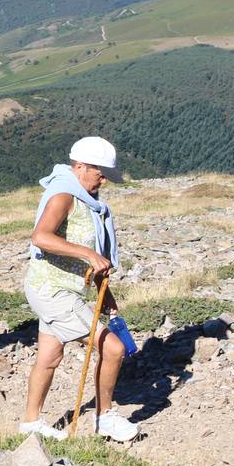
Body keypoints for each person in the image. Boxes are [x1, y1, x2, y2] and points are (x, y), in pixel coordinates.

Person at [21, 137, 137, 443]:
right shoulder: (63, 195)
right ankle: (105, 417)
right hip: (53, 290)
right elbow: (41, 237)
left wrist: (105, 294)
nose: (103, 180)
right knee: (113, 348)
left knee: (49, 355)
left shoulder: (87, 200)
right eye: (99, 172)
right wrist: (87, 254)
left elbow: (95, 256)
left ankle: (31, 423)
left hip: (65, 289)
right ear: (80, 166)